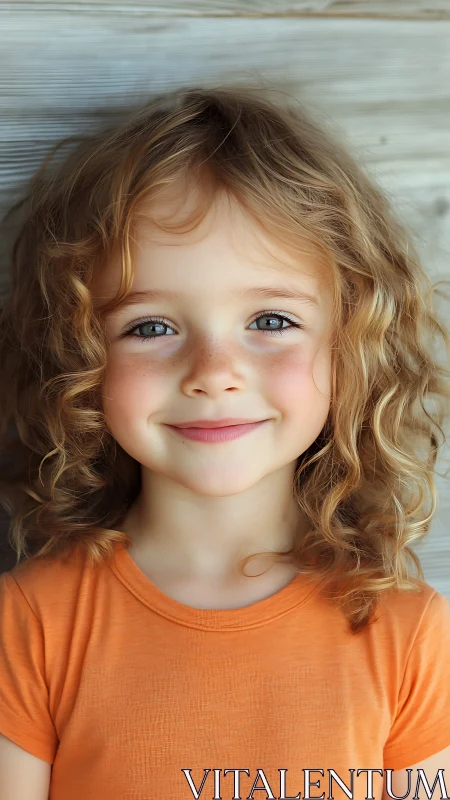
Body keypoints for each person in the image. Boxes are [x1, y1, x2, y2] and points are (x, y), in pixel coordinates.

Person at [0, 84, 449, 800]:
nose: (214, 375)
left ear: (353, 345)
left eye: (270, 320)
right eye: (150, 327)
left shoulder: (409, 631)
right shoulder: (31, 624)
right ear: (79, 354)